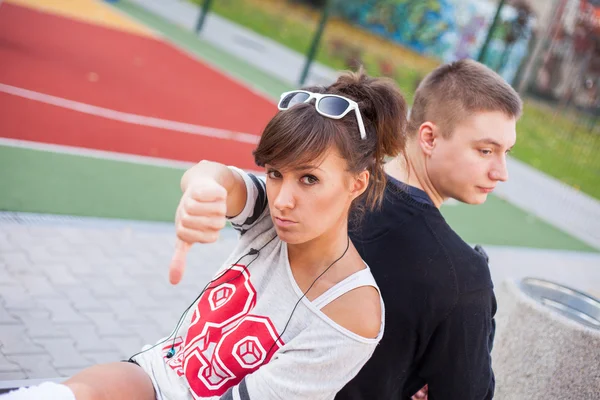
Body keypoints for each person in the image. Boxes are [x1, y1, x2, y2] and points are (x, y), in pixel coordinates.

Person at [2, 71, 408, 400]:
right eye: (274, 173)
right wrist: (202, 190)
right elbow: (215, 175)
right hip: (153, 377)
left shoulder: (350, 310)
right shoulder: (268, 216)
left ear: (357, 184)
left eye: (309, 179)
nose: (284, 198)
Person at [334, 59, 522, 399]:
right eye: (485, 150)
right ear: (430, 138)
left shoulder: (329, 190)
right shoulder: (462, 275)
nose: (501, 172)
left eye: (506, 152)